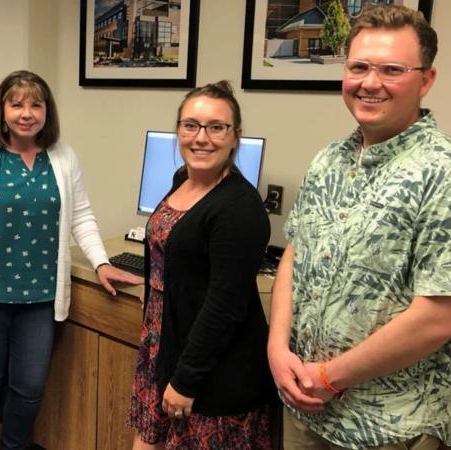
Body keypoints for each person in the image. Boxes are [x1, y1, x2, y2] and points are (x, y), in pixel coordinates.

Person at [267, 5, 451, 450]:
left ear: (425, 80)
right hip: (302, 408)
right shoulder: (327, 161)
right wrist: (277, 349)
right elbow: (294, 255)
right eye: (358, 67)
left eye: (391, 69)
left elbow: (439, 317)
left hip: (385, 428)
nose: (369, 82)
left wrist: (329, 377)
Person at [0, 70, 142, 450]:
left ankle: (14, 446)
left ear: (47, 111)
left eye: (36, 104)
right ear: (1, 110)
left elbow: (81, 216)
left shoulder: (63, 158)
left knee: (30, 386)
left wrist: (101, 262)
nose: (26, 113)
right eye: (16, 103)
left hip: (41, 298)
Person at [126, 81, 275, 450]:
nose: (201, 138)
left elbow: (224, 307)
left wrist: (186, 380)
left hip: (212, 374)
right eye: (190, 125)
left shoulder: (240, 207)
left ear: (235, 136)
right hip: (164, 347)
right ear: (178, 130)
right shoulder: (182, 181)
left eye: (216, 127)